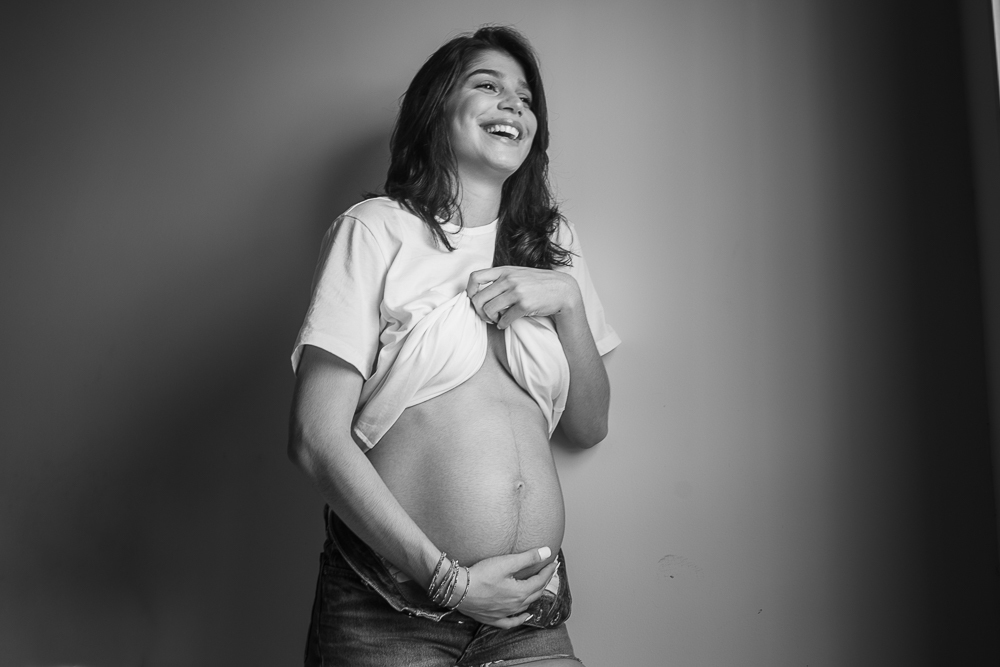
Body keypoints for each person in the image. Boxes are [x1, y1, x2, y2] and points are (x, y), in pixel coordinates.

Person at [288, 25, 620, 666]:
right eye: (488, 85)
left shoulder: (553, 247)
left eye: (526, 98)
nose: (513, 104)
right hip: (390, 606)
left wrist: (568, 302)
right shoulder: (376, 230)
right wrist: (451, 583)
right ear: (437, 107)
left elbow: (589, 426)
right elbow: (314, 437)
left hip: (527, 610)